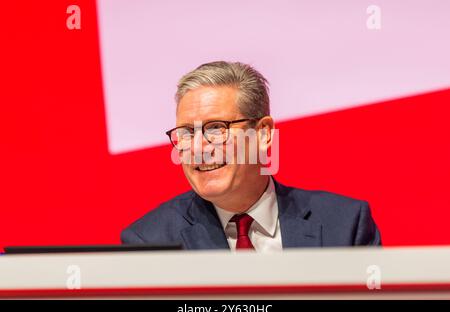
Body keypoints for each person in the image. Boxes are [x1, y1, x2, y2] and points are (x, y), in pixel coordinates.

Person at [121, 61, 381, 251]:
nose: (199, 147)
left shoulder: (345, 225)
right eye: (187, 132)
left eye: (216, 128)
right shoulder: (149, 242)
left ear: (264, 133)